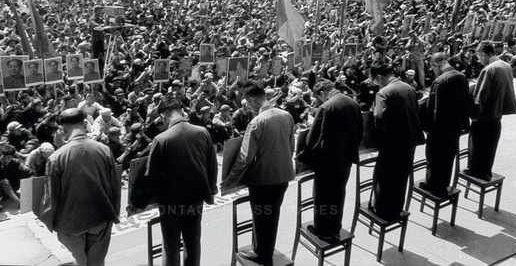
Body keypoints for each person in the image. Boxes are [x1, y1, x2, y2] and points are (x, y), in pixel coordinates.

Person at [222, 81, 295, 266]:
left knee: (262, 218)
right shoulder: (286, 115)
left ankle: (263, 255)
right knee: (272, 216)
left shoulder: (257, 122)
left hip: (263, 181)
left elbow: (244, 158)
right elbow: (291, 146)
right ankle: (262, 250)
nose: (247, 108)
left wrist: (229, 182)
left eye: (246, 103)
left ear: (253, 100)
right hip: (283, 176)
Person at [146, 98, 218, 266]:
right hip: (195, 199)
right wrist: (212, 189)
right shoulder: (202, 132)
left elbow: (151, 176)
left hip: (169, 203)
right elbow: (212, 164)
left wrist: (147, 200)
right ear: (181, 111)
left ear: (164, 116)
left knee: (171, 246)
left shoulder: (161, 139)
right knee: (192, 242)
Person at [45, 108, 121, 266]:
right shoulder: (104, 149)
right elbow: (115, 187)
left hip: (70, 224)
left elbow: (51, 198)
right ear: (85, 124)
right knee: (97, 263)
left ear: (63, 129)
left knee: (81, 261)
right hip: (100, 218)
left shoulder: (55, 158)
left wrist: (51, 223)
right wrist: (114, 214)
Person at [297, 79, 362, 240]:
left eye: (319, 98)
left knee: (323, 197)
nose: (320, 101)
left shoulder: (326, 107)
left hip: (327, 163)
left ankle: (323, 230)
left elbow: (312, 139)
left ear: (322, 93)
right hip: (345, 159)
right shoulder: (352, 103)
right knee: (338, 194)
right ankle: (335, 227)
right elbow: (360, 131)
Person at [370, 62, 424, 221]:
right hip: (410, 142)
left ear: (379, 77)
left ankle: (382, 212)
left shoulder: (383, 93)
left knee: (384, 179)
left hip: (392, 145)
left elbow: (378, 119)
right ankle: (396, 209)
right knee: (401, 178)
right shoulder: (409, 88)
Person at [467, 41, 516, 181]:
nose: (478, 60)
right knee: (490, 150)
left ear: (483, 54)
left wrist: (473, 116)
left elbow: (480, 97)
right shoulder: (505, 65)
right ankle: (485, 172)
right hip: (497, 116)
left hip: (485, 118)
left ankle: (476, 173)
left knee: (478, 149)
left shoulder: (489, 69)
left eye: (478, 56)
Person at [421, 53, 470, 197]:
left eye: (433, 67)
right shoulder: (462, 77)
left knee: (434, 159)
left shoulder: (440, 81)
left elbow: (433, 111)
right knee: (448, 158)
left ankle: (433, 186)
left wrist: (427, 127)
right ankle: (443, 184)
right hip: (454, 128)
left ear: (436, 64)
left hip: (439, 130)